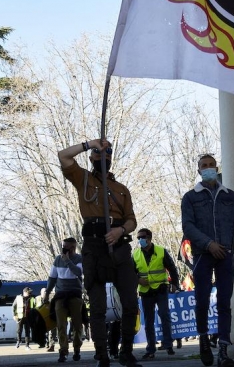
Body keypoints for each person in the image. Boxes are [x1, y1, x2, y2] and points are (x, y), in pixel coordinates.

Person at [58, 138, 141, 367]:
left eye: (106, 155)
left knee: (130, 302)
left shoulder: (121, 189)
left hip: (119, 245)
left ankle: (126, 351)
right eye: (97, 154)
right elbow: (63, 156)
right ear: (91, 158)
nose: (102, 158)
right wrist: (90, 143)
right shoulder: (83, 179)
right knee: (97, 306)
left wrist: (120, 230)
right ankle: (102, 354)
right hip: (94, 247)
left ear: (111, 158)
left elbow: (132, 220)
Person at [181, 154, 234, 367]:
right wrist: (208, 244)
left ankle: (223, 349)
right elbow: (188, 227)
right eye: (204, 166)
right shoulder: (190, 197)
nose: (208, 168)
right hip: (203, 255)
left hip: (226, 254)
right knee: (202, 300)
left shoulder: (229, 196)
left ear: (216, 168)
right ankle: (204, 339)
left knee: (224, 302)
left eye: (211, 165)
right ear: (199, 171)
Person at [133, 228, 180, 360]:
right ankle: (151, 349)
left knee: (164, 315)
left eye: (142, 237)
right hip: (145, 291)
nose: (140, 240)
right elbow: (130, 272)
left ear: (149, 238)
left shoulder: (160, 251)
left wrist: (175, 284)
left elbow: (172, 268)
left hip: (160, 288)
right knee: (148, 321)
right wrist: (137, 280)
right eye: (138, 238)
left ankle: (168, 344)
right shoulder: (136, 254)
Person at [46, 237, 84, 362]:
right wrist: (47, 293)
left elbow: (78, 272)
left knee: (77, 324)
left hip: (75, 295)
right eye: (63, 246)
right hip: (60, 295)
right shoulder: (57, 259)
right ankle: (63, 351)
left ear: (72, 248)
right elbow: (52, 278)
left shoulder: (79, 259)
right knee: (61, 324)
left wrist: (68, 261)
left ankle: (77, 348)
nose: (63, 248)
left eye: (66, 246)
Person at [35, 287, 57, 351]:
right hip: (41, 317)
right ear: (41, 292)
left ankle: (51, 345)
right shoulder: (37, 299)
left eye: (46, 292)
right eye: (44, 292)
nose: (45, 293)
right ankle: (44, 343)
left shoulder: (51, 298)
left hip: (49, 317)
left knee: (52, 332)